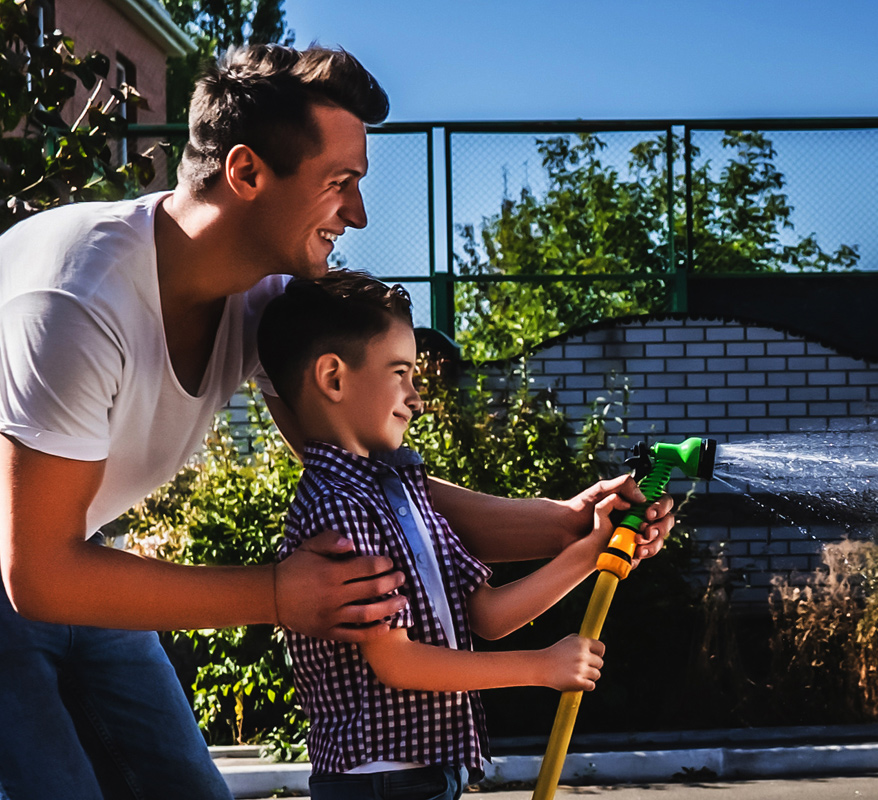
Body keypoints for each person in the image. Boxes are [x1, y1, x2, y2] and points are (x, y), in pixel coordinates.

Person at [0, 45, 673, 799]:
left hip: (78, 561)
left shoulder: (261, 295)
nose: (358, 214)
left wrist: (570, 525)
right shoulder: (76, 304)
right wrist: (282, 595)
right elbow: (38, 575)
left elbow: (370, 481)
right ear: (247, 174)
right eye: (340, 184)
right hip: (37, 570)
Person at [261, 271, 634, 799]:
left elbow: (484, 614)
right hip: (379, 780)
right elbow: (396, 660)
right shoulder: (337, 510)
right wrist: (539, 666)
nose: (416, 396)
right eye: (400, 373)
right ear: (334, 379)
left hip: (422, 776)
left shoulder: (403, 493)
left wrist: (590, 552)